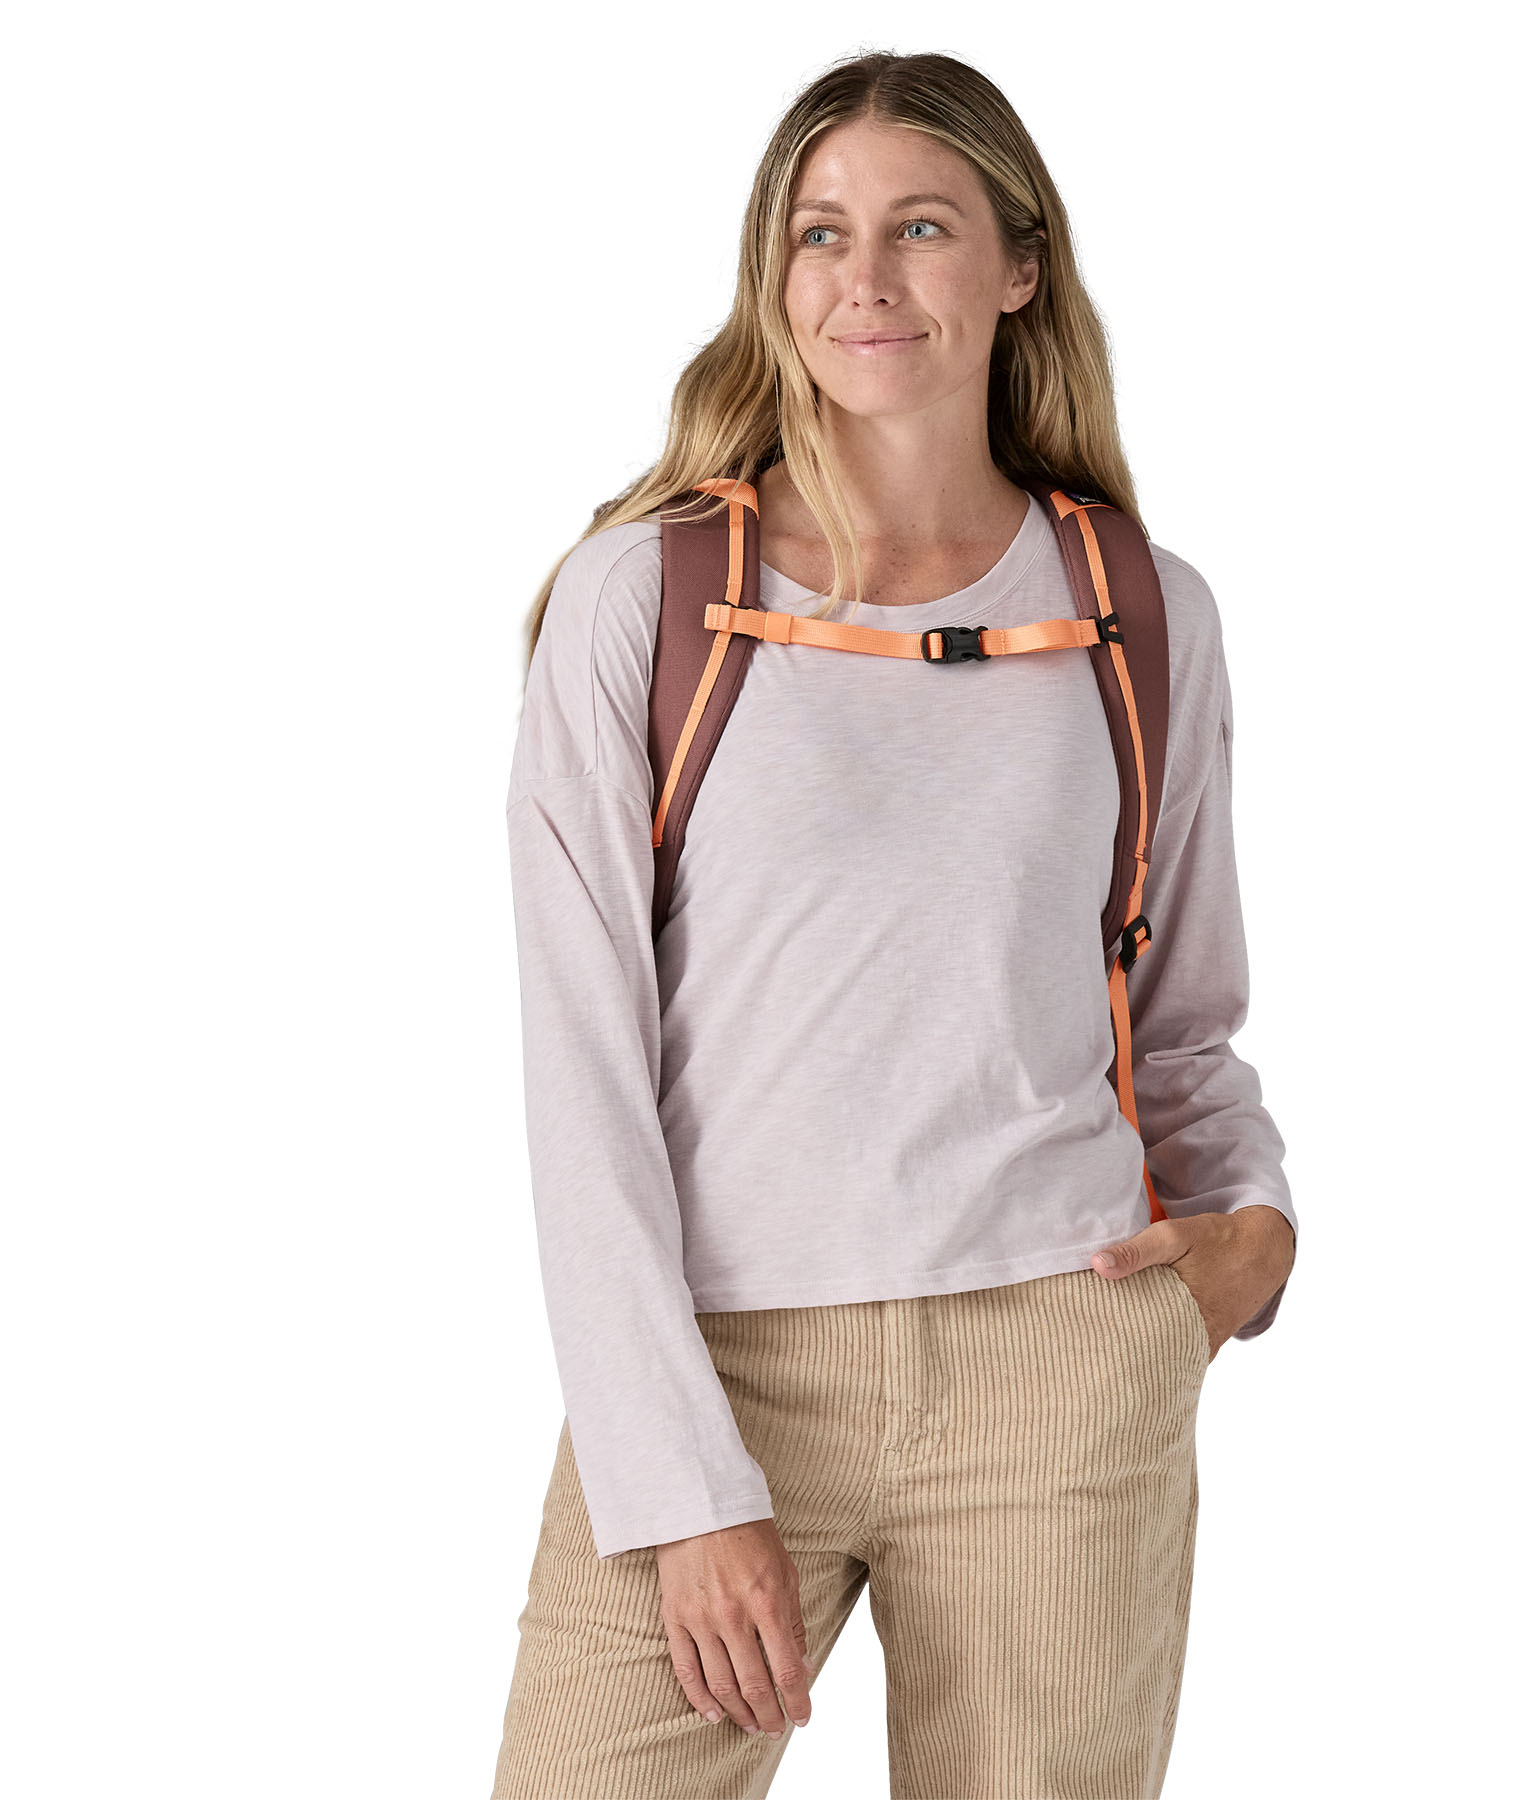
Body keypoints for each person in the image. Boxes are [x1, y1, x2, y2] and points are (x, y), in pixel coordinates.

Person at [490, 47, 1298, 1800]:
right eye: (820, 233)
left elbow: (1178, 1010)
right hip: (720, 1366)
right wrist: (677, 1482)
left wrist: (1250, 1239)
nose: (864, 278)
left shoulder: (1140, 611)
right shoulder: (646, 597)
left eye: (921, 227)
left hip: (1059, 1365)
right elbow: (583, 1074)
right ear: (774, 277)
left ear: (1019, 268)